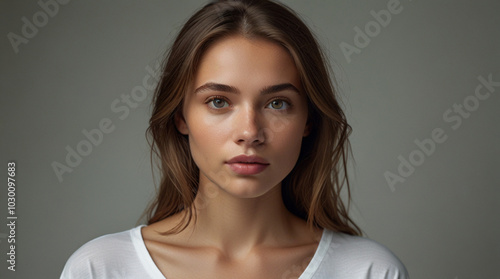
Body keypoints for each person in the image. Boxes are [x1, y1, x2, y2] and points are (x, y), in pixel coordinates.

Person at [60, 0, 409, 278]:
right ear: (181, 117)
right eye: (218, 101)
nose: (249, 133)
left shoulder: (369, 271)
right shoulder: (100, 269)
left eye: (277, 103)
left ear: (309, 121)